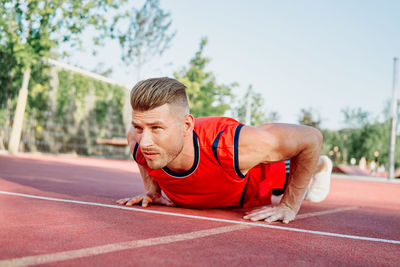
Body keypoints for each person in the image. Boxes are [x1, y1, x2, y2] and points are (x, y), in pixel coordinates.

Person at [117, 77, 332, 224]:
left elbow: (311, 138)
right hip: (225, 180)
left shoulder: (230, 145)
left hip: (256, 177)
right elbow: (139, 143)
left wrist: (288, 205)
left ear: (186, 126)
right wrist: (152, 191)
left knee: (292, 170)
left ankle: (322, 165)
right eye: (138, 127)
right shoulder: (137, 140)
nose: (144, 142)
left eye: (156, 128)